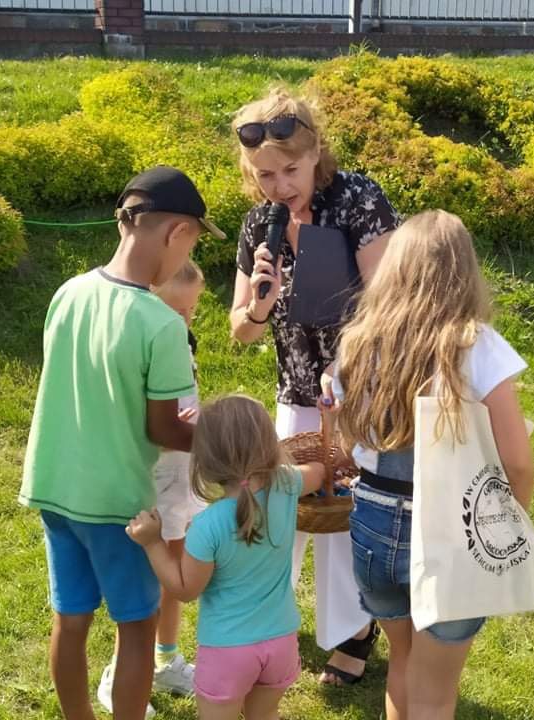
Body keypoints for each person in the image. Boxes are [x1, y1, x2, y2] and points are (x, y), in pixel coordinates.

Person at [18, 165, 225, 720]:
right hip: (118, 505)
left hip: (54, 488)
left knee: (70, 618)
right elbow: (165, 429)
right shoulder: (161, 324)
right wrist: (226, 439)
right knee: (137, 625)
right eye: (191, 245)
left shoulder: (68, 293)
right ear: (178, 232)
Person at [324, 210, 534, 720]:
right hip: (452, 528)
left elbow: (348, 443)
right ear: (465, 271)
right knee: (436, 693)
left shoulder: (359, 340)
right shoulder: (477, 345)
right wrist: (511, 520)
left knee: (402, 661)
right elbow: (517, 461)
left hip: (373, 522)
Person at [229, 87, 403, 685]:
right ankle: (271, 619)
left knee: (348, 509)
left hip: (362, 383)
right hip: (296, 387)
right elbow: (241, 330)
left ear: (315, 154)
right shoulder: (259, 225)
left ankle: (355, 630)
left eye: (290, 171)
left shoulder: (357, 199)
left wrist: (345, 363)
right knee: (288, 507)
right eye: (265, 175)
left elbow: (388, 302)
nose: (278, 187)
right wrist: (260, 302)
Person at [126, 395, 326, 720]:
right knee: (266, 715)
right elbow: (318, 471)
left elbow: (185, 590)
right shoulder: (287, 484)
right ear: (269, 445)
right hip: (281, 641)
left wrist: (152, 543)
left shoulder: (207, 525)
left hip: (227, 652)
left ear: (205, 461)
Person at [97, 260, 207, 713]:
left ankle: (165, 660)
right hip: (149, 484)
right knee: (141, 587)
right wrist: (170, 429)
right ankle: (117, 674)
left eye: (192, 311)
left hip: (180, 480)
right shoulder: (142, 346)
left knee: (173, 572)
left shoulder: (180, 343)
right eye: (177, 311)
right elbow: (136, 423)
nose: (186, 320)